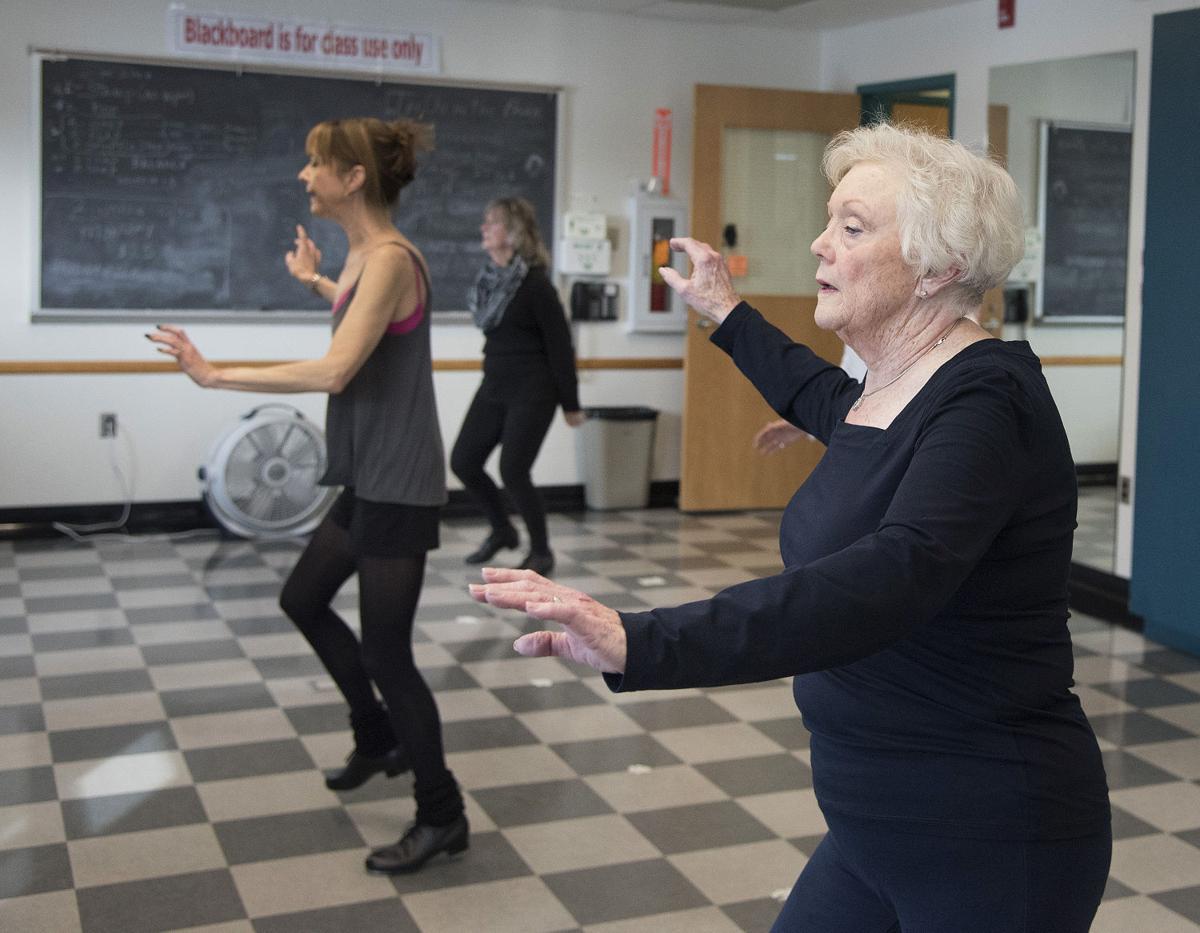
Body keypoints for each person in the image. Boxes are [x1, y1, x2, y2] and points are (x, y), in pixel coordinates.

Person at [470, 123, 1112, 932]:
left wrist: (641, 639)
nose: (819, 242)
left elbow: (895, 575)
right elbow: (818, 394)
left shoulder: (987, 401)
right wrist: (724, 310)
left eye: (853, 227)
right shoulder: (896, 389)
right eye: (830, 220)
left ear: (939, 268)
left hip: (989, 833)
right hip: (872, 829)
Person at [147, 116, 467, 875]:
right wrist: (318, 283)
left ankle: (442, 813)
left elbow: (336, 369)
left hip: (398, 481)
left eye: (316, 162)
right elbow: (370, 321)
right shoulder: (365, 258)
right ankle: (376, 736)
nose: (304, 175)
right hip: (371, 473)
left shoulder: (389, 257)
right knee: (303, 598)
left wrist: (215, 375)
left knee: (387, 653)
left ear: (353, 177)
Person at [450, 197, 584, 576]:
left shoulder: (536, 285)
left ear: (513, 233)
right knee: (463, 461)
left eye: (492, 223)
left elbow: (560, 346)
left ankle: (541, 552)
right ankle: (502, 530)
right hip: (495, 383)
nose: (484, 228)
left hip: (534, 389)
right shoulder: (489, 283)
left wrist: (571, 403)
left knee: (513, 470)